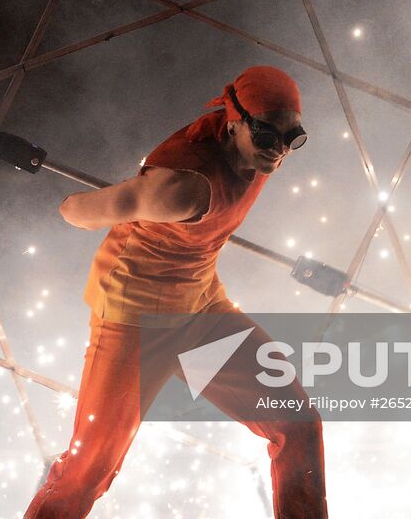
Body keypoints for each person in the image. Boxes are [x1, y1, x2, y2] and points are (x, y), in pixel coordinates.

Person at [24, 65, 327, 518]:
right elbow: (77, 212)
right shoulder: (185, 189)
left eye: (293, 139)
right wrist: (74, 202)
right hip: (135, 320)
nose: (279, 152)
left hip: (201, 308)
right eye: (267, 137)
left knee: (297, 423)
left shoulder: (260, 154)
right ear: (234, 123)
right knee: (90, 469)